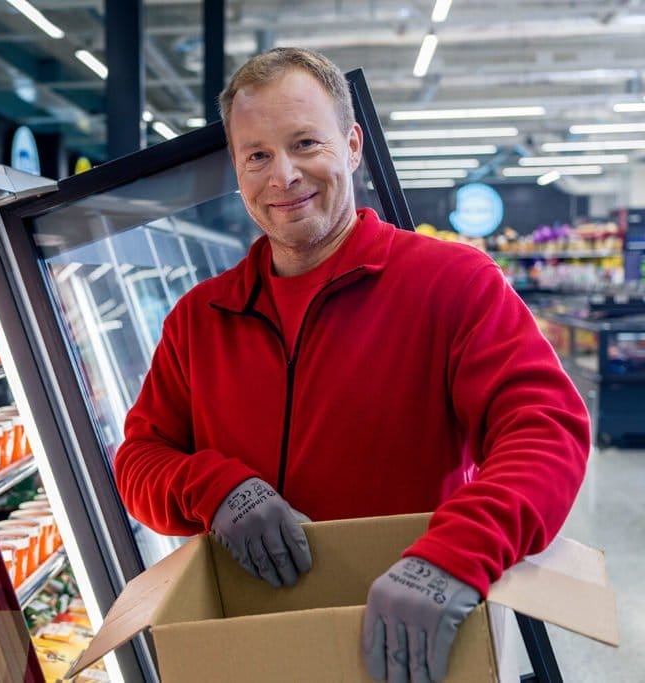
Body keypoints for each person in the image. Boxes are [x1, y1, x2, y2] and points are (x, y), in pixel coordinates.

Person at [112, 47, 590, 683]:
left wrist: (456, 556)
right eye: (257, 155)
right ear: (237, 167)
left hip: (415, 655)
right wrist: (216, 487)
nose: (282, 175)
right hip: (256, 654)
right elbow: (140, 459)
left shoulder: (451, 284)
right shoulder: (201, 318)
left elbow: (546, 431)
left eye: (305, 143)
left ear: (353, 143)